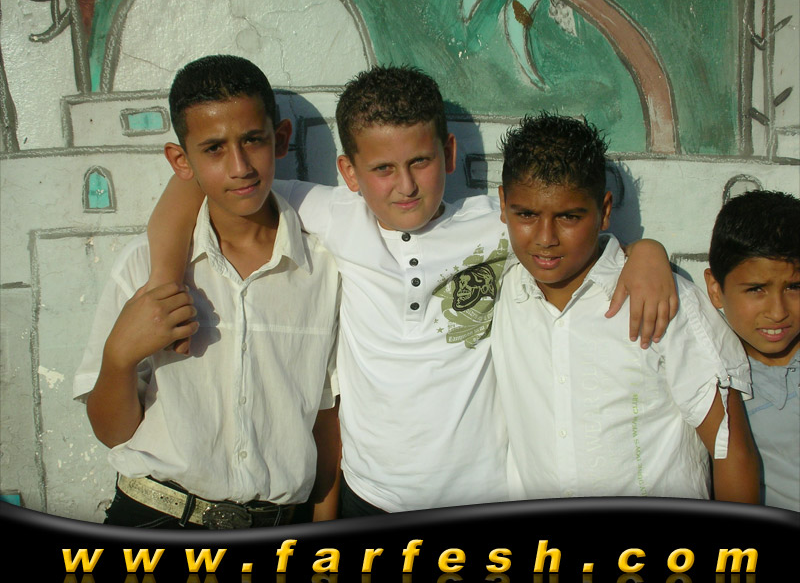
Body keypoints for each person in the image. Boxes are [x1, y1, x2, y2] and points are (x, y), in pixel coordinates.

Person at [145, 66, 679, 516]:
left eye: (420, 162)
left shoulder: (498, 223)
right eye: (382, 169)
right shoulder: (332, 214)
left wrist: (645, 250)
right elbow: (193, 184)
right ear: (349, 172)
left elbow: (573, 233)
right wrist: (165, 284)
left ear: (448, 152)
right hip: (369, 496)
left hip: (483, 495)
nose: (405, 185)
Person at [73, 55, 341, 528]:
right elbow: (113, 433)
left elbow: (326, 418)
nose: (239, 166)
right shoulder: (144, 267)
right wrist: (118, 358)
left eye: (253, 140)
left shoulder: (324, 270)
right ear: (181, 160)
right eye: (214, 148)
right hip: (155, 517)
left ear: (280, 139)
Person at [493, 112, 759, 502]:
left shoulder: (663, 300)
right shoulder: (502, 288)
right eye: (527, 215)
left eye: (569, 217)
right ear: (503, 204)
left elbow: (730, 448)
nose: (545, 238)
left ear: (604, 210)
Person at [704, 190, 800, 511]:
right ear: (715, 289)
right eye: (756, 289)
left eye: (794, 287)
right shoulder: (715, 375)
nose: (778, 312)